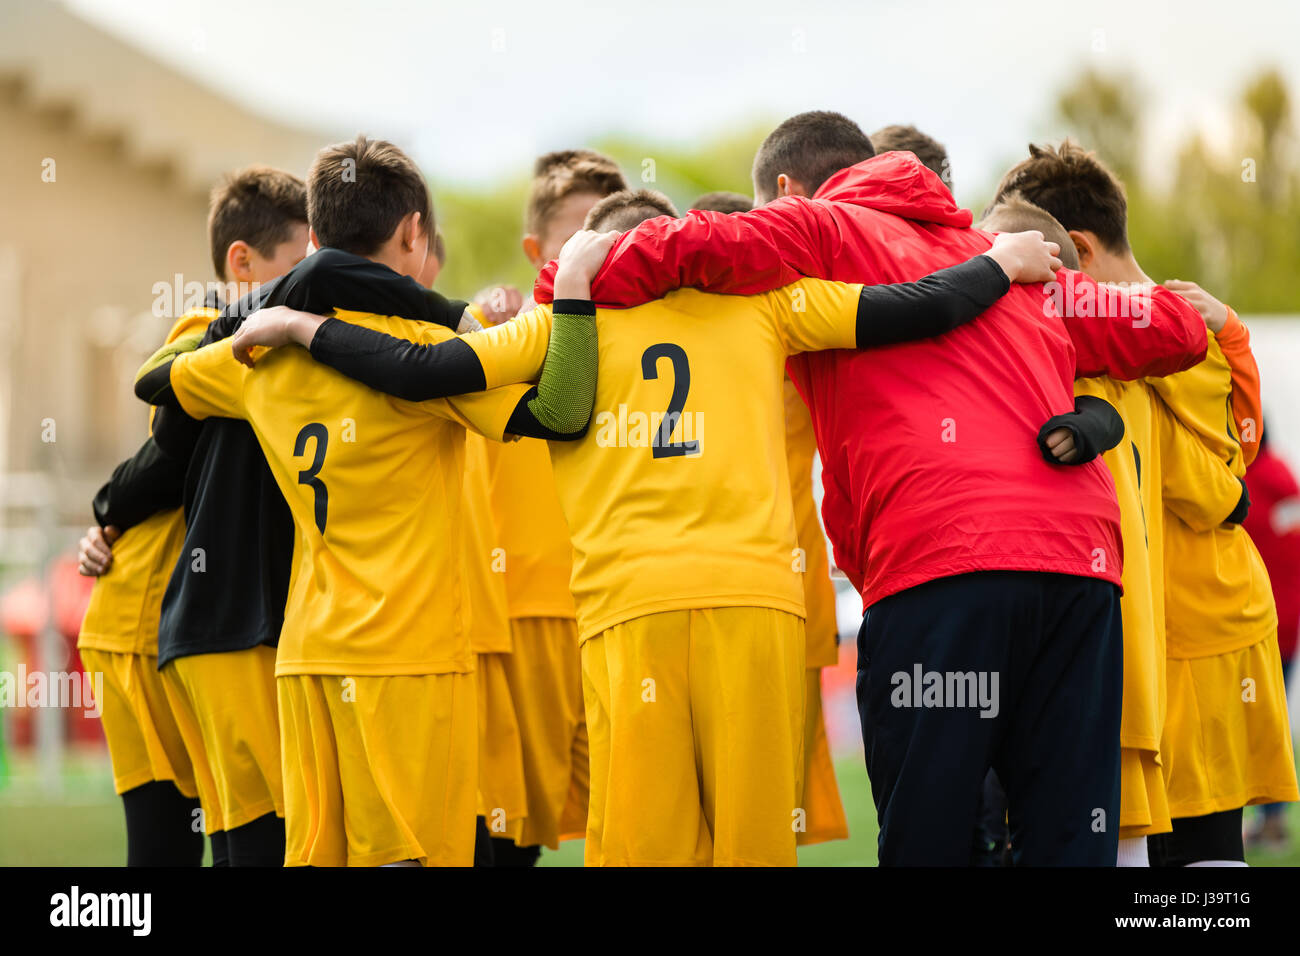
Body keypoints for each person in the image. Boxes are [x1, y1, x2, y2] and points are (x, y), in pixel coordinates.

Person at [530, 110, 1212, 865]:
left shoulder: (820, 231)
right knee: (1064, 844)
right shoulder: (1001, 257)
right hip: (1079, 570)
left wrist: (568, 275)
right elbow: (1174, 331)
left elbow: (689, 246)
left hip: (940, 566)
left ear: (787, 192)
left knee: (931, 836)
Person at [136, 135, 603, 867]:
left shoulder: (257, 360)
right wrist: (573, 293)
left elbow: (159, 381)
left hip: (308, 656)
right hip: (408, 658)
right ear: (415, 232)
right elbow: (564, 409)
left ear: (316, 238)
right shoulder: (432, 339)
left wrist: (266, 316)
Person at [994, 139, 1298, 866]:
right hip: (1187, 621)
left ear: (1079, 251)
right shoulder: (1210, 326)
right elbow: (1237, 465)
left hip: (1188, 628)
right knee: (1185, 847)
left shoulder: (1152, 332)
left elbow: (1221, 480)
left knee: (1185, 850)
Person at [77, 165, 310, 866]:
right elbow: (168, 460)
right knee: (167, 852)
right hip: (142, 619)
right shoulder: (211, 332)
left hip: (184, 617)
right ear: (242, 263)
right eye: (298, 266)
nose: (312, 284)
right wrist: (110, 508)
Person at [1243, 424, 1300, 850]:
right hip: (1286, 628)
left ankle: (1267, 819)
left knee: (1253, 725)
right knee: (1272, 723)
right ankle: (1273, 821)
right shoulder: (1285, 480)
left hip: (1254, 626)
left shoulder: (1246, 482)